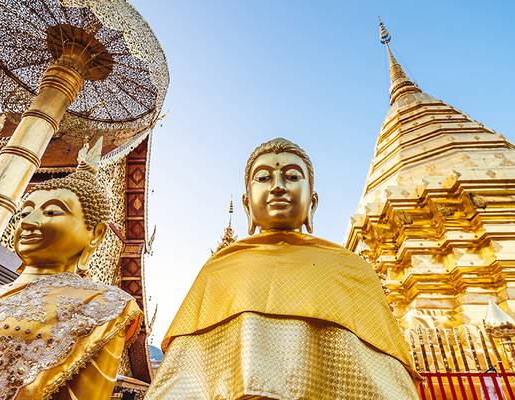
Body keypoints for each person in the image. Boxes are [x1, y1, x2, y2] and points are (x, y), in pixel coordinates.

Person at [146, 138, 420, 399]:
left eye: (291, 176)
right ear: (247, 205)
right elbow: (185, 378)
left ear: (312, 202)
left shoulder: (351, 270)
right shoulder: (220, 270)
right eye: (264, 178)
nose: (277, 186)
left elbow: (380, 381)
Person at [0, 139, 141, 400]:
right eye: (24, 213)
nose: (28, 222)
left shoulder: (105, 305)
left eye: (52, 212)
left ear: (95, 235)